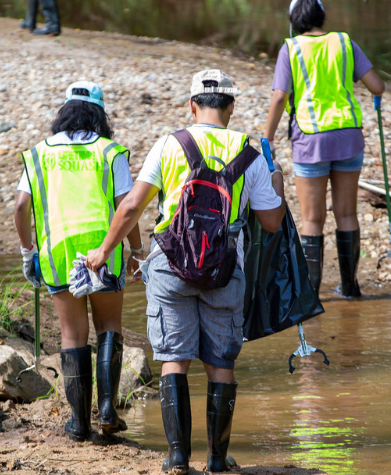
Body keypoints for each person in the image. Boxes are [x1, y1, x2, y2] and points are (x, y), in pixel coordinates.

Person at [85, 69, 286, 474]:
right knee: (220, 363)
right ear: (231, 107)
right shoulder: (249, 154)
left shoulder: (169, 144)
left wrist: (104, 251)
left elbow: (131, 208)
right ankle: (216, 459)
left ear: (191, 106)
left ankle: (177, 457)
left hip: (171, 262)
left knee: (174, 357)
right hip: (226, 267)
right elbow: (271, 222)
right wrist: (276, 173)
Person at [14, 81, 143, 441]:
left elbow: (21, 207)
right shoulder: (110, 151)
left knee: (72, 334)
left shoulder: (39, 153)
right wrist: (137, 251)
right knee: (108, 327)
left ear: (63, 113)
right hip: (104, 248)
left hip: (58, 252)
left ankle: (79, 423)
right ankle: (106, 410)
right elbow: (126, 206)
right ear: (100, 115)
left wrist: (29, 251)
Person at [263, 0, 385, 298]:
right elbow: (377, 86)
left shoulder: (290, 48)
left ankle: (311, 295)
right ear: (321, 16)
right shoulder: (345, 42)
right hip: (348, 136)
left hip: (311, 138)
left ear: (294, 22)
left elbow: (279, 97)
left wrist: (268, 137)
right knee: (346, 214)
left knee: (313, 219)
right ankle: (350, 288)